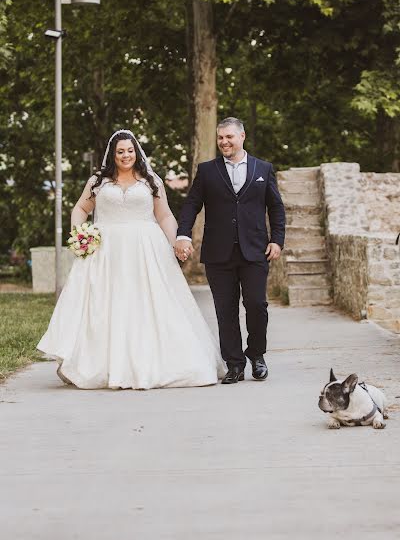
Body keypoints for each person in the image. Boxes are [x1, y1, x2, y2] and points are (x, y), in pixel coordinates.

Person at [37, 130, 225, 389]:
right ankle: (99, 365)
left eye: (130, 151)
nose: (126, 156)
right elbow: (80, 208)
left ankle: (156, 363)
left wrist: (177, 242)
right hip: (106, 252)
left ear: (136, 152)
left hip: (145, 250)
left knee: (150, 302)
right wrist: (80, 235)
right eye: (120, 152)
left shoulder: (151, 181)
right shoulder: (98, 182)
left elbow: (165, 217)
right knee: (104, 305)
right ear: (112, 155)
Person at [175, 117, 285, 384]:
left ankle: (257, 355)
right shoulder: (207, 171)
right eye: (220, 138)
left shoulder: (263, 168)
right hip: (218, 253)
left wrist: (277, 240)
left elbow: (276, 207)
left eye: (229, 137)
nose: (224, 142)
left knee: (257, 305)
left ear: (242, 137)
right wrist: (183, 234)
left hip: (256, 251)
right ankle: (234, 364)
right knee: (225, 311)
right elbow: (191, 205)